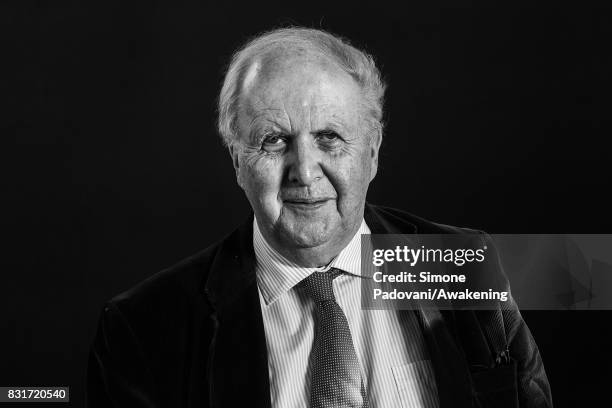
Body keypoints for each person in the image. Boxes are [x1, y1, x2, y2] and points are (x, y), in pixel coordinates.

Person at [87, 27, 552, 408]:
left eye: (329, 137)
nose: (304, 172)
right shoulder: (144, 328)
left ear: (371, 154)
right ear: (236, 162)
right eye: (273, 141)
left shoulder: (456, 265)